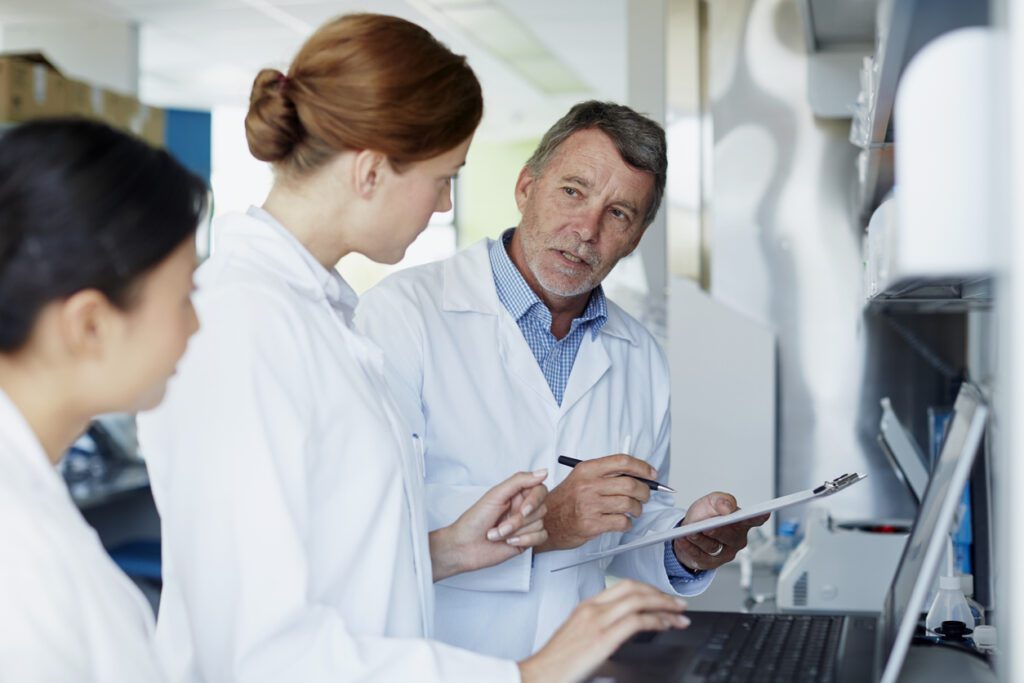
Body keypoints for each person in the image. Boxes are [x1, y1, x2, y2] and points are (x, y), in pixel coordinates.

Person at [137, 14, 688, 683]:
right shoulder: (243, 324)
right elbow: (259, 647)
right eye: (443, 176)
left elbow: (340, 564)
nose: (442, 204)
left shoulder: (316, 315)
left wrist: (455, 547)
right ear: (372, 170)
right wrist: (528, 674)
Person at [357, 100, 770, 660]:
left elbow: (624, 527)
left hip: (573, 664)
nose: (586, 230)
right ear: (526, 187)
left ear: (637, 236)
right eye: (572, 191)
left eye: (619, 213)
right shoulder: (402, 316)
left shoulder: (640, 355)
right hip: (436, 661)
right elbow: (370, 522)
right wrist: (548, 518)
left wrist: (684, 544)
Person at [0, 119, 208, 681]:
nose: (195, 325)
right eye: (185, 295)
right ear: (90, 324)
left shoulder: (29, 489)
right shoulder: (17, 556)